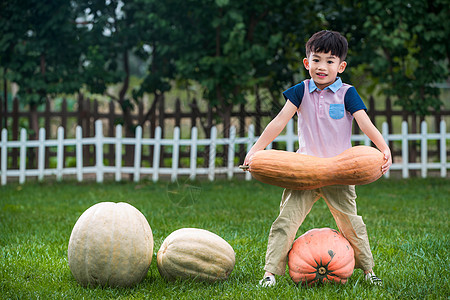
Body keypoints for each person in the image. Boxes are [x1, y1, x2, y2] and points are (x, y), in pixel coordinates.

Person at [243, 30, 392, 287]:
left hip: (340, 173)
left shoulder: (347, 93)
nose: (322, 66)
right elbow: (279, 121)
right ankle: (270, 273)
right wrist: (256, 149)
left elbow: (364, 123)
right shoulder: (300, 91)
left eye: (330, 61)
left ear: (341, 66)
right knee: (285, 222)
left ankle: (368, 271)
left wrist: (384, 147)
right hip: (303, 172)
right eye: (316, 59)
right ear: (306, 62)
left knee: (352, 224)